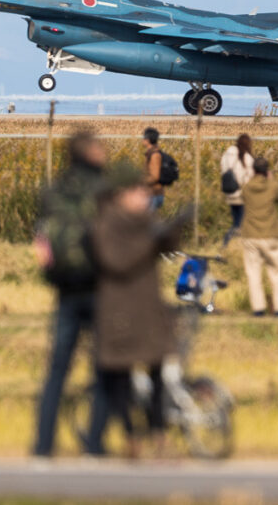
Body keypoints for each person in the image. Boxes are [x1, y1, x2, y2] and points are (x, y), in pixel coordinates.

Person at [88, 165, 184, 457]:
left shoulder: (146, 221)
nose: (144, 197)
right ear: (120, 195)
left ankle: (159, 433)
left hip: (147, 308)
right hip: (120, 311)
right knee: (122, 376)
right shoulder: (106, 224)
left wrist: (174, 228)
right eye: (137, 191)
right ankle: (131, 435)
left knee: (157, 372)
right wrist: (152, 240)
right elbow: (119, 261)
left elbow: (163, 247)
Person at [31, 132, 109, 457]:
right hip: (100, 285)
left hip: (65, 287)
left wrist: (52, 275)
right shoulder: (105, 189)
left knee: (57, 369)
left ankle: (43, 444)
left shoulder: (54, 190)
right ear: (91, 153)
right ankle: (94, 444)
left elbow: (41, 243)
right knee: (104, 368)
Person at [240, 157, 278, 317]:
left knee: (253, 273)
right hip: (270, 234)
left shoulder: (247, 187)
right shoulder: (273, 186)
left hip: (250, 235)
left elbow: (243, 198)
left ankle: (258, 308)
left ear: (254, 170)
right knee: (277, 271)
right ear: (266, 170)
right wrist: (271, 179)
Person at [219, 134, 255, 246]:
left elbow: (223, 170)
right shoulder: (246, 157)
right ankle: (226, 244)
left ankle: (235, 245)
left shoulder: (227, 155)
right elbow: (249, 176)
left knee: (237, 221)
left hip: (230, 194)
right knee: (239, 224)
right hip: (241, 195)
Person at [142, 127, 165, 211]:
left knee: (147, 222)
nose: (142, 140)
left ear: (148, 140)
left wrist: (141, 182)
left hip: (154, 195)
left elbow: (155, 176)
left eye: (144, 138)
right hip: (151, 194)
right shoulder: (150, 153)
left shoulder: (154, 155)